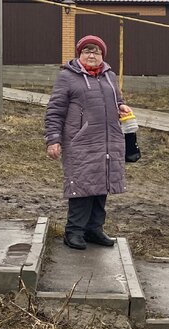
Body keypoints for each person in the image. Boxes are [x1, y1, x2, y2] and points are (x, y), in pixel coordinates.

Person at [44, 35, 132, 248]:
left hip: (108, 140)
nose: (92, 55)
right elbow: (55, 110)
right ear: (79, 54)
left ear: (102, 55)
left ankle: (94, 229)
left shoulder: (109, 76)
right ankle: (73, 231)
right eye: (87, 51)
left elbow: (116, 99)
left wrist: (121, 106)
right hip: (81, 141)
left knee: (102, 184)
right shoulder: (67, 77)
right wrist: (53, 139)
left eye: (96, 51)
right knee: (82, 186)